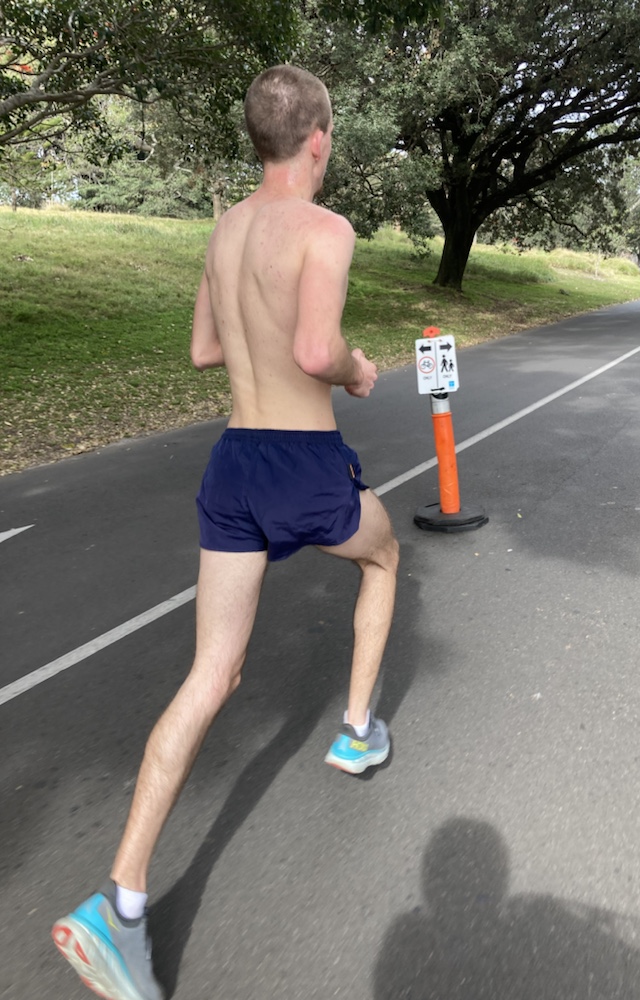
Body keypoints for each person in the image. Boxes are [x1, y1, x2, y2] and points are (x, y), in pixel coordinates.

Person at [51, 64, 399, 1000]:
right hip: (303, 463)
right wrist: (357, 370)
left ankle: (120, 903)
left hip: (234, 463)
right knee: (385, 556)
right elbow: (317, 350)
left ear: (259, 139)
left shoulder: (227, 229)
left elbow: (206, 349)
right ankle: (356, 731)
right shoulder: (325, 228)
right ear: (317, 138)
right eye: (331, 135)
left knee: (211, 674)